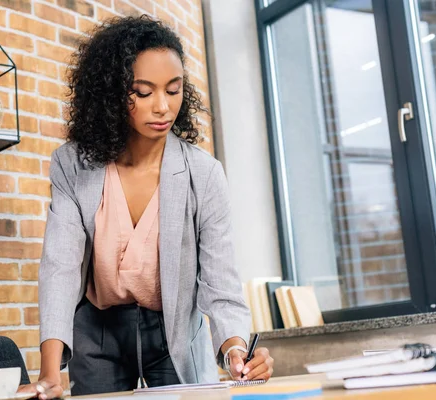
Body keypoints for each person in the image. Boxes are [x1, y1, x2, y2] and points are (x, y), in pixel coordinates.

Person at [18, 15, 274, 399]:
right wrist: (50, 374)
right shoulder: (72, 165)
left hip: (173, 329)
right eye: (143, 91)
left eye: (173, 90)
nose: (162, 107)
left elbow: (220, 281)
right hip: (97, 331)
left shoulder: (203, 174)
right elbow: (60, 267)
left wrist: (236, 351)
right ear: (112, 92)